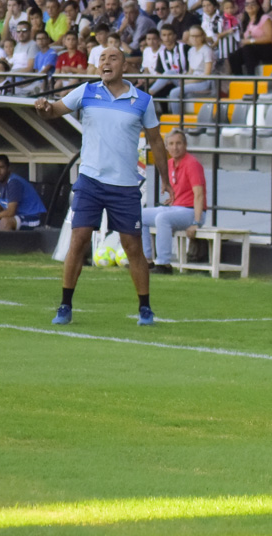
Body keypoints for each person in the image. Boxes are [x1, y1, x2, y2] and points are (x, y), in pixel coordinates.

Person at [35, 46, 171, 327]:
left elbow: (157, 142)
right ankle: (65, 305)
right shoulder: (86, 91)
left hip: (124, 185)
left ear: (124, 66)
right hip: (90, 181)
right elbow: (54, 111)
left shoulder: (142, 100)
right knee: (78, 239)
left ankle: (145, 309)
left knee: (132, 246)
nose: (105, 63)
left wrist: (166, 180)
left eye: (112, 58)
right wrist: (44, 108)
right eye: (102, 59)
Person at [141, 130, 206, 273]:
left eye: (178, 143)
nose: (175, 147)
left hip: (191, 211)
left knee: (162, 218)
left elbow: (199, 195)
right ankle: (146, 261)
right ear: (166, 147)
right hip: (176, 208)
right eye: (171, 144)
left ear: (185, 145)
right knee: (139, 214)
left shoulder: (192, 164)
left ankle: (164, 264)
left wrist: (196, 222)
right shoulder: (169, 163)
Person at [0, 154, 48, 231]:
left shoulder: (14, 182)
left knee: (5, 221)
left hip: (33, 217)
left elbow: (10, 212)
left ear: (8, 168)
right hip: (16, 218)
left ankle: (6, 243)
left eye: (1, 167)